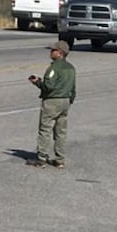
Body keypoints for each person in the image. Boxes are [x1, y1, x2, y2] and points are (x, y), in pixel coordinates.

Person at [26, 40, 77, 168]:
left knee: (45, 129)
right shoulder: (71, 68)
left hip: (53, 101)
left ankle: (42, 158)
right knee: (61, 131)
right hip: (65, 100)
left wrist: (38, 82)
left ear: (60, 53)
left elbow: (49, 86)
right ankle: (60, 159)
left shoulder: (54, 68)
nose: (51, 52)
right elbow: (73, 87)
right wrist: (70, 100)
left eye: (53, 50)